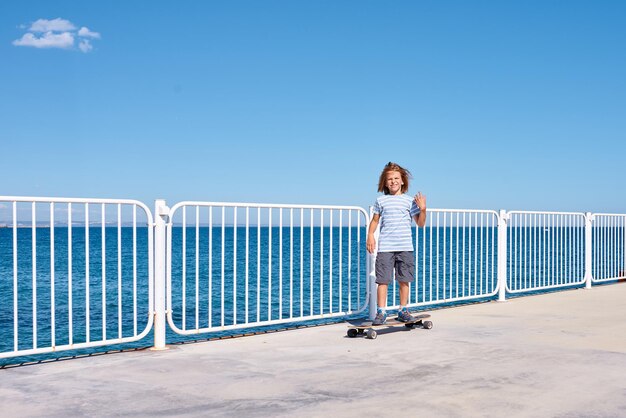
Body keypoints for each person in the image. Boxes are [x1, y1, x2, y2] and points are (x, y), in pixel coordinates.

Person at [366, 162, 427, 325]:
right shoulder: (381, 200)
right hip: (386, 247)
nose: (393, 181)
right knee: (382, 281)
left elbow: (420, 224)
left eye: (396, 178)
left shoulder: (409, 201)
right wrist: (370, 235)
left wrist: (423, 209)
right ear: (385, 183)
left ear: (402, 181)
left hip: (405, 247)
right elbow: (375, 221)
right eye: (390, 179)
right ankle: (381, 312)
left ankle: (403, 309)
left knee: (404, 279)